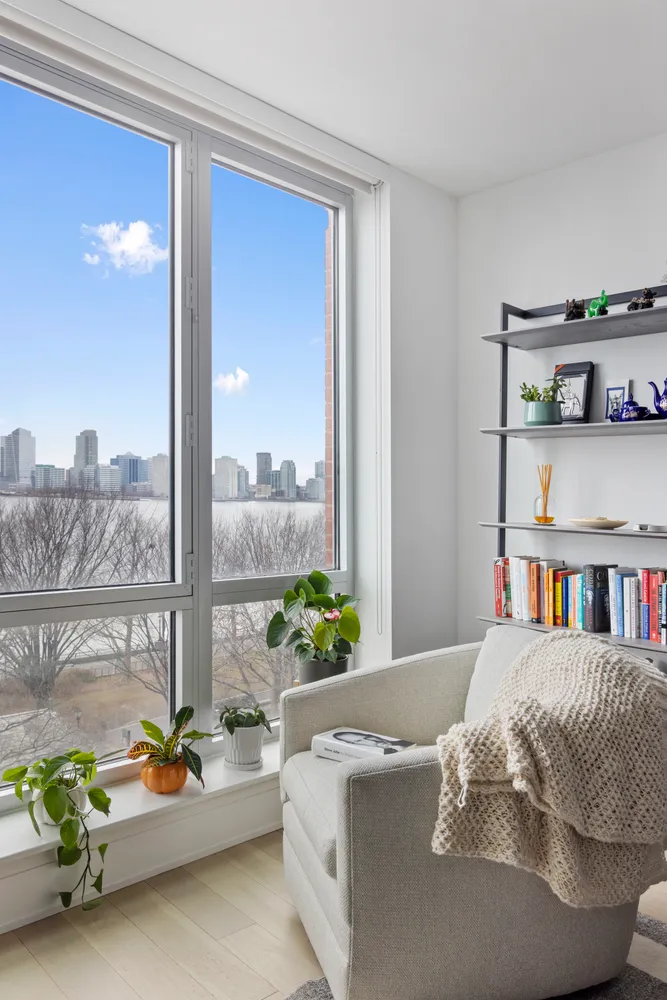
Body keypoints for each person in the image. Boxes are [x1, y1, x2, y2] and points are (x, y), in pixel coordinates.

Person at [332, 731, 411, 754]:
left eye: (367, 737)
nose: (371, 741)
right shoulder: (385, 755)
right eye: (359, 741)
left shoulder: (404, 742)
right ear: (356, 744)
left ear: (369, 734)